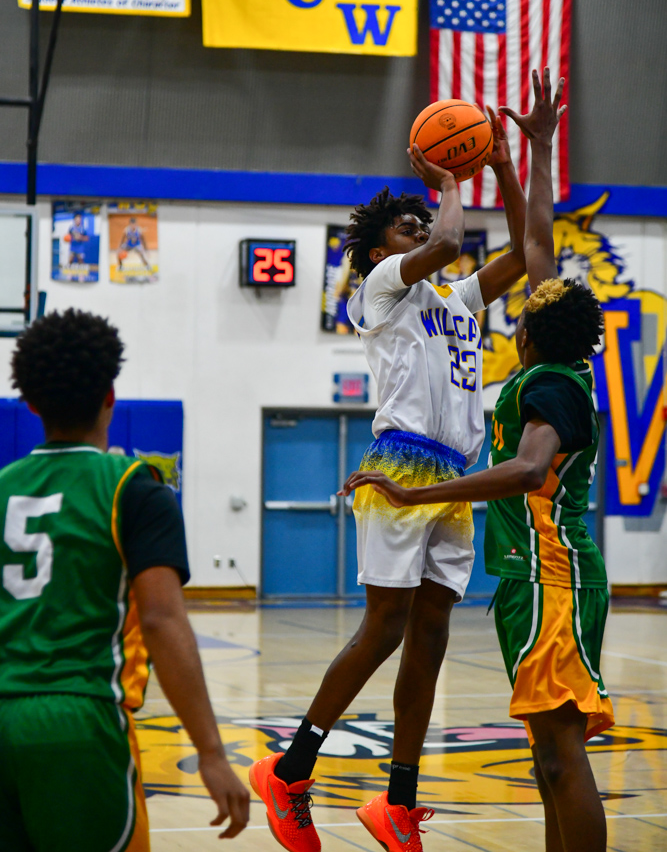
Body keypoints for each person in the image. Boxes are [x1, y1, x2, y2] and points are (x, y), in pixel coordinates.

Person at [344, 70, 613, 852]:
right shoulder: (546, 364)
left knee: (558, 758)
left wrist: (415, 496)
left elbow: (526, 472)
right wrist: (522, 156)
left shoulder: (550, 384)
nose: (522, 303)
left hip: (550, 572)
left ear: (527, 332)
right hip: (529, 571)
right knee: (546, 757)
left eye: (527, 309)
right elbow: (536, 247)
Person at [250, 109, 529, 852]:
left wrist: (505, 166)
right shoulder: (379, 288)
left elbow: (531, 254)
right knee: (384, 627)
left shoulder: (456, 301)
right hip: (401, 463)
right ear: (380, 250)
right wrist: (449, 181)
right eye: (407, 227)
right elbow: (447, 242)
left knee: (431, 636)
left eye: (422, 221)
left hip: (453, 475)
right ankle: (289, 771)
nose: (423, 229)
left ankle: (397, 801)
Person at [0, 309, 249, 852]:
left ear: (31, 403)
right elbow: (161, 620)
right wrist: (210, 751)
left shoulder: (3, 486)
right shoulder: (135, 487)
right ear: (110, 395)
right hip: (78, 721)